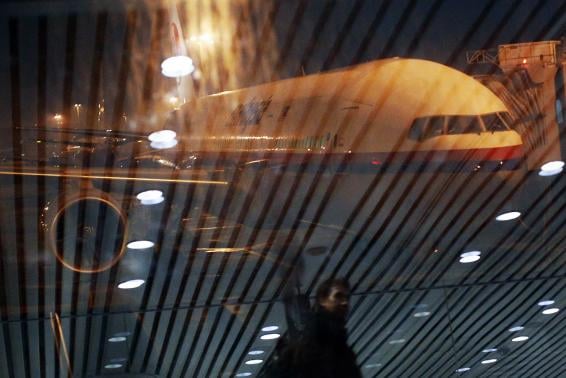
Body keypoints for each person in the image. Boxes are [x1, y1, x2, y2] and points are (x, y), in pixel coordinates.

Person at [260, 278, 361, 378]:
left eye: (347, 298)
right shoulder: (316, 339)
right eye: (338, 296)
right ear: (322, 300)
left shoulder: (338, 345)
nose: (345, 302)